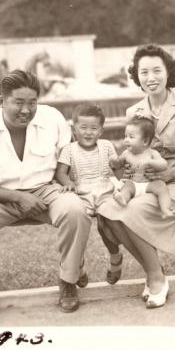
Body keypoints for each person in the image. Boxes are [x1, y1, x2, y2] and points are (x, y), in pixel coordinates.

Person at [0, 69, 91, 323]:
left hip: (46, 190)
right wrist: (16, 197)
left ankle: (68, 280)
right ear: (1, 101)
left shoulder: (53, 119)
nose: (26, 110)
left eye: (32, 102)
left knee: (75, 209)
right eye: (18, 102)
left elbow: (69, 162)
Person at [96, 44, 175, 309]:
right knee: (107, 209)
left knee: (130, 211)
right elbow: (131, 153)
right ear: (136, 76)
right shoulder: (133, 113)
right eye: (144, 72)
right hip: (143, 184)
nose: (150, 78)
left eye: (156, 71)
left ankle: (155, 278)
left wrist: (171, 171)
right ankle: (155, 270)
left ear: (168, 73)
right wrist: (120, 167)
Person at [53, 103, 123, 285]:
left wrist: (120, 168)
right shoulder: (69, 149)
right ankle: (78, 266)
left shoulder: (106, 146)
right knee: (77, 228)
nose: (88, 132)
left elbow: (118, 171)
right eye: (83, 127)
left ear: (101, 131)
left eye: (94, 128)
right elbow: (60, 172)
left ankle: (115, 258)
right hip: (81, 194)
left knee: (107, 225)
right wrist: (68, 183)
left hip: (104, 191)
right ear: (73, 128)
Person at [112, 116, 175, 218]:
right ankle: (123, 199)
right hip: (133, 183)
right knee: (127, 186)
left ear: (145, 141)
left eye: (131, 137)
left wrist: (152, 162)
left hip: (149, 184)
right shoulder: (126, 153)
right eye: (125, 136)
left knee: (161, 187)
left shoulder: (152, 153)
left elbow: (164, 164)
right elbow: (118, 164)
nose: (126, 140)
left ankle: (165, 209)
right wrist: (114, 162)